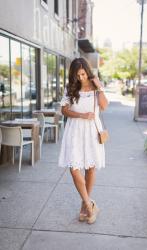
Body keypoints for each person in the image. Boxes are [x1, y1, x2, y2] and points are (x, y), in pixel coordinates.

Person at [58, 57, 108, 224]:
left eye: (83, 74)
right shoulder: (71, 88)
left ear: (87, 71)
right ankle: (89, 204)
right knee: (74, 169)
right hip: (74, 131)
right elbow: (64, 110)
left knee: (90, 168)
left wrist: (99, 86)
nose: (80, 78)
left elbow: (104, 106)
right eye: (77, 75)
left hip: (92, 132)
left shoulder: (95, 87)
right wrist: (81, 115)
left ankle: (83, 206)